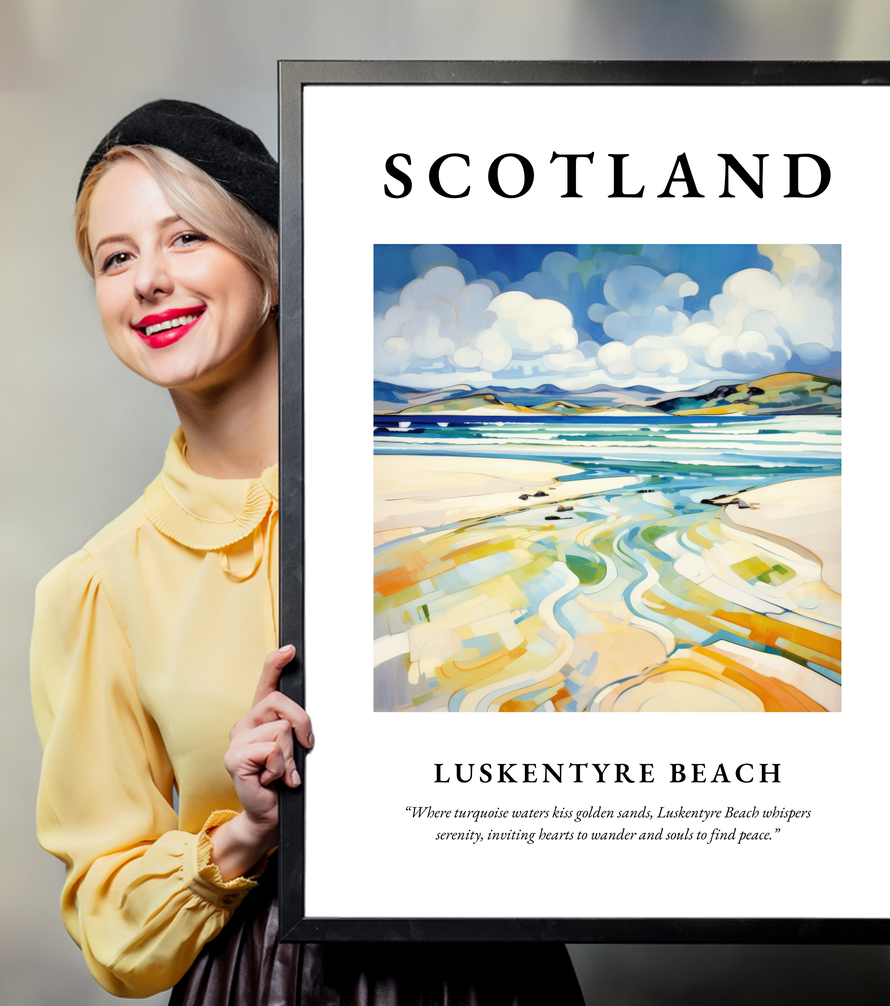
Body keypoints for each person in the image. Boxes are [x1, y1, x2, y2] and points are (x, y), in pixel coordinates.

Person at [30, 100, 585, 1004]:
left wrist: (886, 703)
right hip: (262, 982)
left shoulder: (457, 500)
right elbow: (110, 924)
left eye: (186, 239)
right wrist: (245, 832)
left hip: (491, 974)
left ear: (274, 264)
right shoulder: (97, 587)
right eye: (116, 257)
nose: (148, 281)